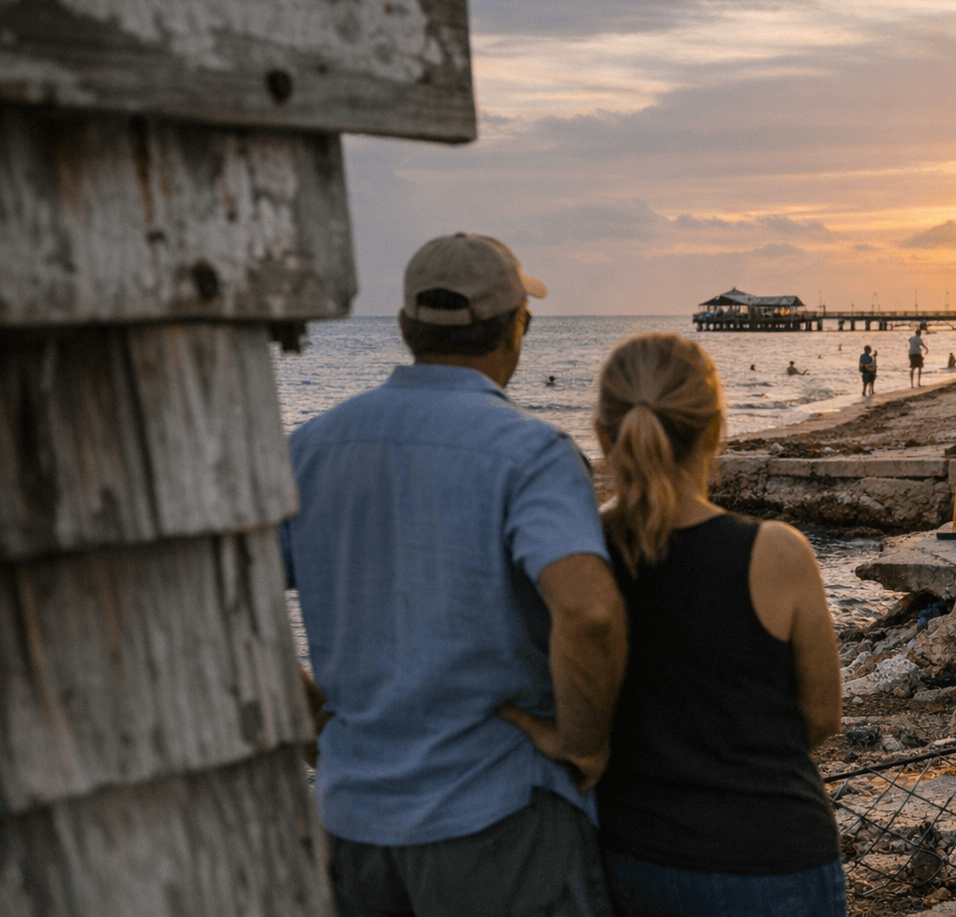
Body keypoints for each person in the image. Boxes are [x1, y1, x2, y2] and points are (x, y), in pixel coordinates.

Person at [283, 233, 627, 917]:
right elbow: (588, 611)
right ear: (516, 330)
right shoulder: (530, 453)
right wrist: (582, 744)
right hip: (496, 813)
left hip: (353, 817)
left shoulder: (311, 447)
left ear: (407, 327)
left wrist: (312, 718)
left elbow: (227, 609)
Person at [575, 334, 845, 917]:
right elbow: (822, 718)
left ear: (603, 435)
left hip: (631, 854)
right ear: (716, 431)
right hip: (775, 856)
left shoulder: (578, 557)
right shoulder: (777, 552)